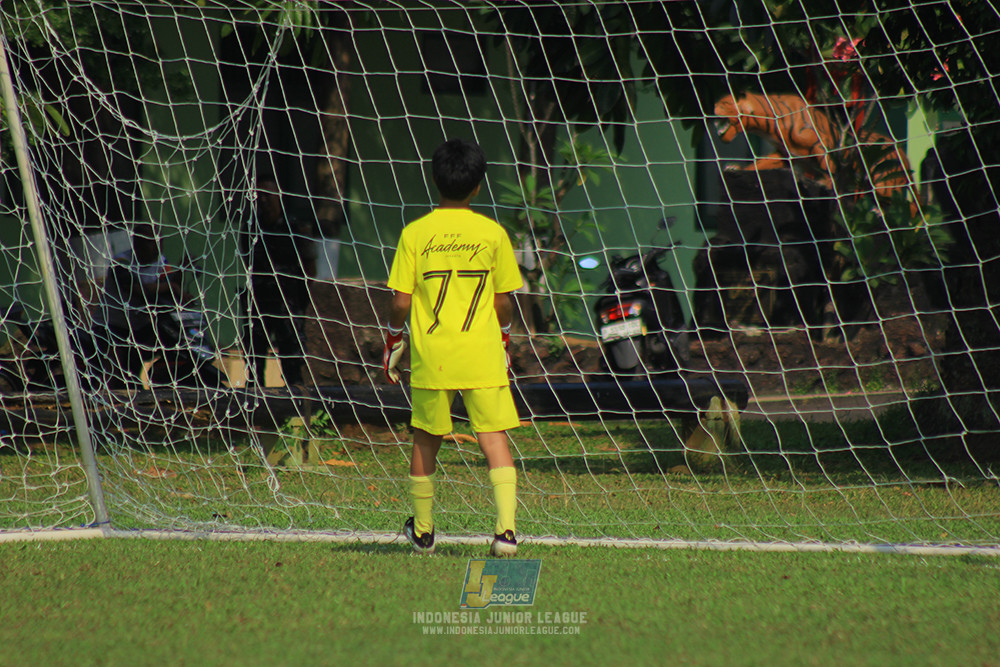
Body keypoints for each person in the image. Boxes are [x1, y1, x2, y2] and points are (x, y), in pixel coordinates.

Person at [384, 138, 523, 557]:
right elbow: (503, 301)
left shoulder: (415, 233)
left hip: (434, 356)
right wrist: (505, 335)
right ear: (478, 186)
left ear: (434, 180)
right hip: (482, 351)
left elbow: (401, 302)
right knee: (493, 437)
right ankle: (506, 532)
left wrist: (394, 339)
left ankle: (424, 531)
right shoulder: (493, 234)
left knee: (426, 438)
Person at [243, 177, 317, 388]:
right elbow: (247, 261)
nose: (263, 200)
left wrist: (299, 299)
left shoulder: (297, 227)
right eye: (258, 196)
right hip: (258, 302)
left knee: (292, 363)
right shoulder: (250, 228)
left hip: (288, 303)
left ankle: (295, 404)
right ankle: (255, 404)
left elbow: (310, 268)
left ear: (279, 197)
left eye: (268, 195)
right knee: (254, 361)